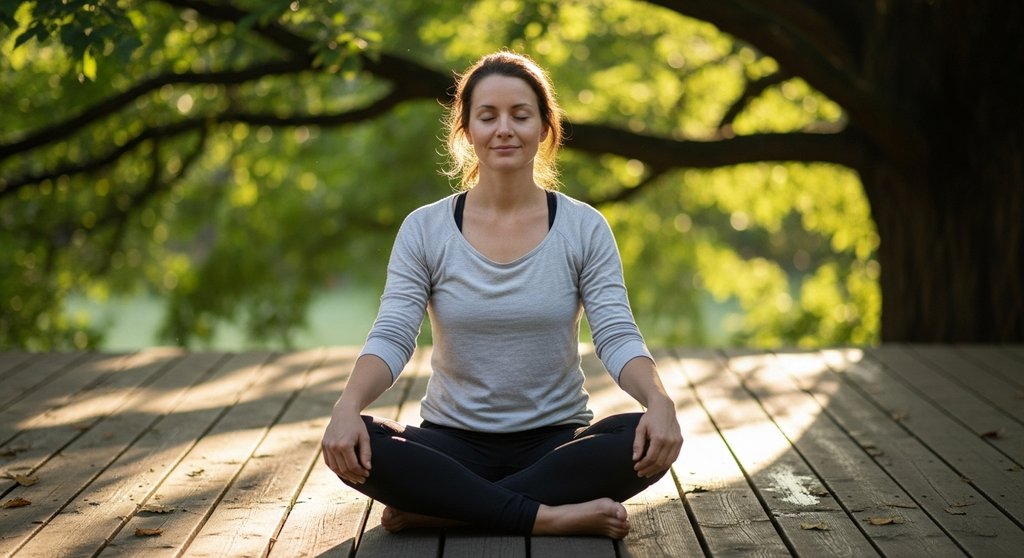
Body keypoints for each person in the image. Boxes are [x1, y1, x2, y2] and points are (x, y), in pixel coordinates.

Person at [321, 50, 682, 540]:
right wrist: (345, 407)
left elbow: (616, 334)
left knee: (636, 438)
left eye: (520, 115)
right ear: (467, 131)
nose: (504, 129)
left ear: (544, 128)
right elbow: (393, 335)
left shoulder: (584, 227)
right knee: (364, 440)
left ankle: (449, 508)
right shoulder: (424, 229)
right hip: (451, 443)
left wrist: (660, 401)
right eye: (487, 116)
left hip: (556, 443)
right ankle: (547, 516)